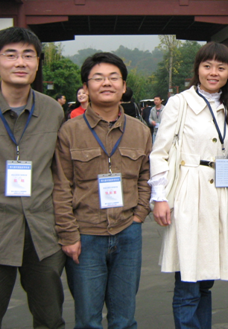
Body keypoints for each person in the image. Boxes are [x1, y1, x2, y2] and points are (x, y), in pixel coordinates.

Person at [0, 27, 66, 329]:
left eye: (28, 55)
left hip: (42, 233)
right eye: (11, 55)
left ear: (37, 63)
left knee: (50, 319)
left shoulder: (52, 110)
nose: (20, 62)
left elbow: (59, 172)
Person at [150, 42, 228, 329]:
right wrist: (160, 197)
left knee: (205, 280)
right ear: (198, 69)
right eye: (207, 66)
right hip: (189, 191)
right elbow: (159, 152)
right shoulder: (180, 103)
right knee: (188, 280)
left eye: (221, 67)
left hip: (219, 194)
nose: (213, 72)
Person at [53, 52, 152, 328]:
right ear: (85, 87)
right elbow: (61, 186)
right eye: (98, 78)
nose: (106, 83)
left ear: (123, 86)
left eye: (113, 78)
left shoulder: (140, 131)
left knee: (124, 319)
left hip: (128, 232)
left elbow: (146, 176)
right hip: (85, 235)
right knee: (88, 320)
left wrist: (140, 214)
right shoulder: (69, 131)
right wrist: (68, 234)